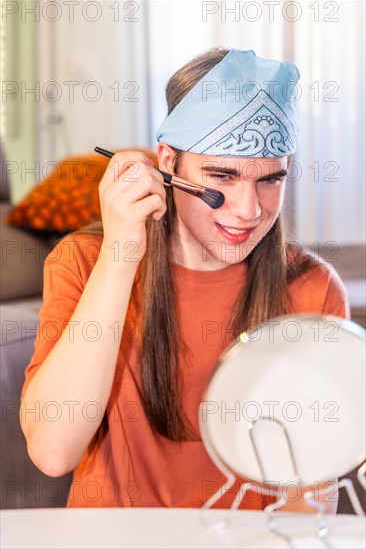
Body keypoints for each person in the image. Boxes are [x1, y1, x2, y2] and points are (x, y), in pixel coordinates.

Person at [20, 48, 349, 512]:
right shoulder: (83, 261)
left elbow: (307, 498)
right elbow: (54, 452)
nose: (249, 210)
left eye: (271, 180)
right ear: (167, 163)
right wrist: (121, 255)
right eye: (221, 177)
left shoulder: (313, 286)